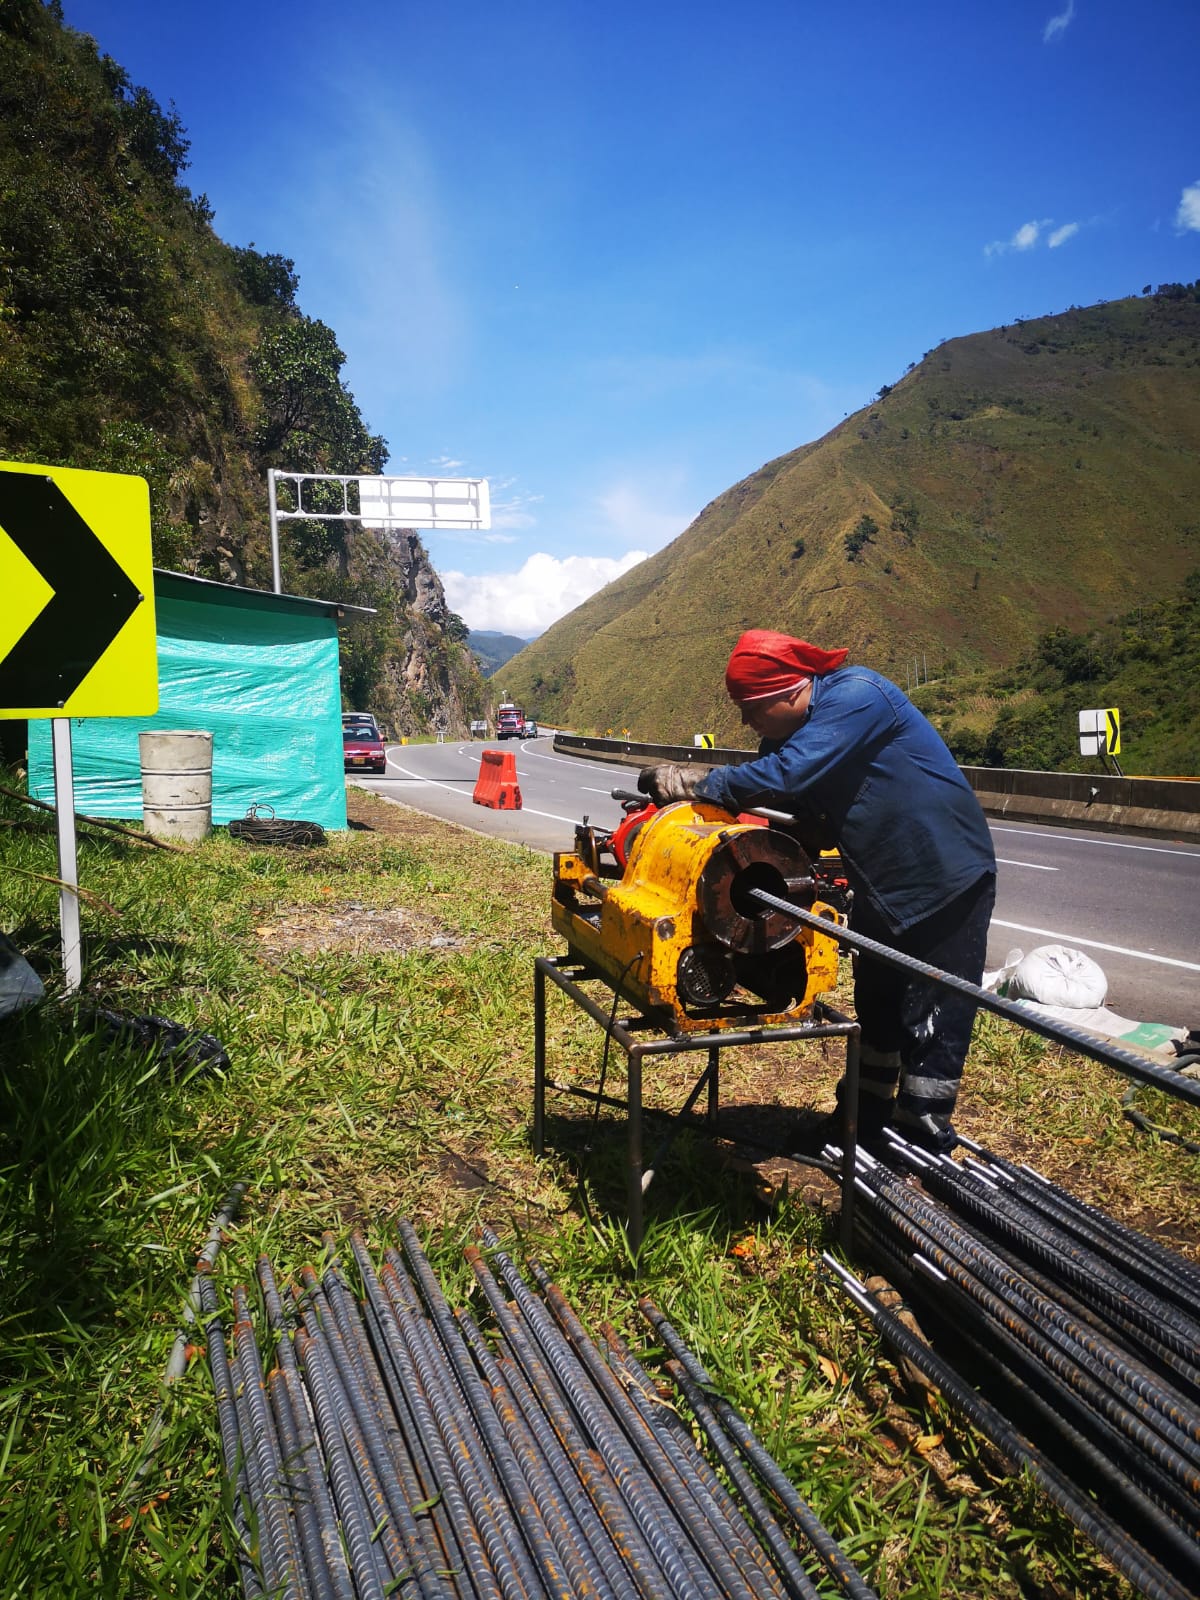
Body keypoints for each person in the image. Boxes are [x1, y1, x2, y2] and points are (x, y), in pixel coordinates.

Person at [638, 629, 996, 1154]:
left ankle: (920, 1142)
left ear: (789, 691)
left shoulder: (857, 697)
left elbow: (786, 774)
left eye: (751, 706)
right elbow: (811, 820)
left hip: (946, 878)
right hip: (881, 886)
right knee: (879, 1011)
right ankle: (861, 1125)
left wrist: (694, 783)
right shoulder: (794, 735)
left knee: (934, 1017)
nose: (745, 720)